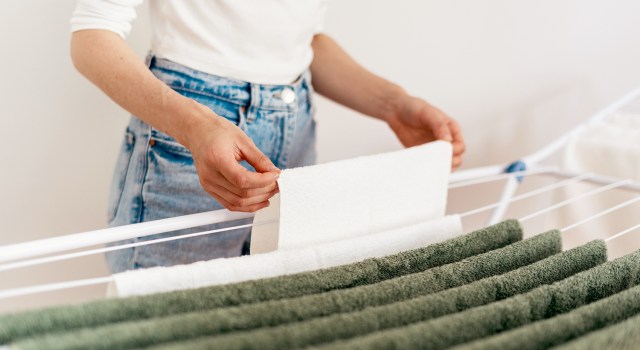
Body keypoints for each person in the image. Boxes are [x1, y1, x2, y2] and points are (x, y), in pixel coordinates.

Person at [70, 0, 466, 273]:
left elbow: (301, 43)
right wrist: (196, 127)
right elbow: (92, 35)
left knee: (268, 335)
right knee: (164, 339)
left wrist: (393, 104)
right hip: (187, 139)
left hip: (296, 129)